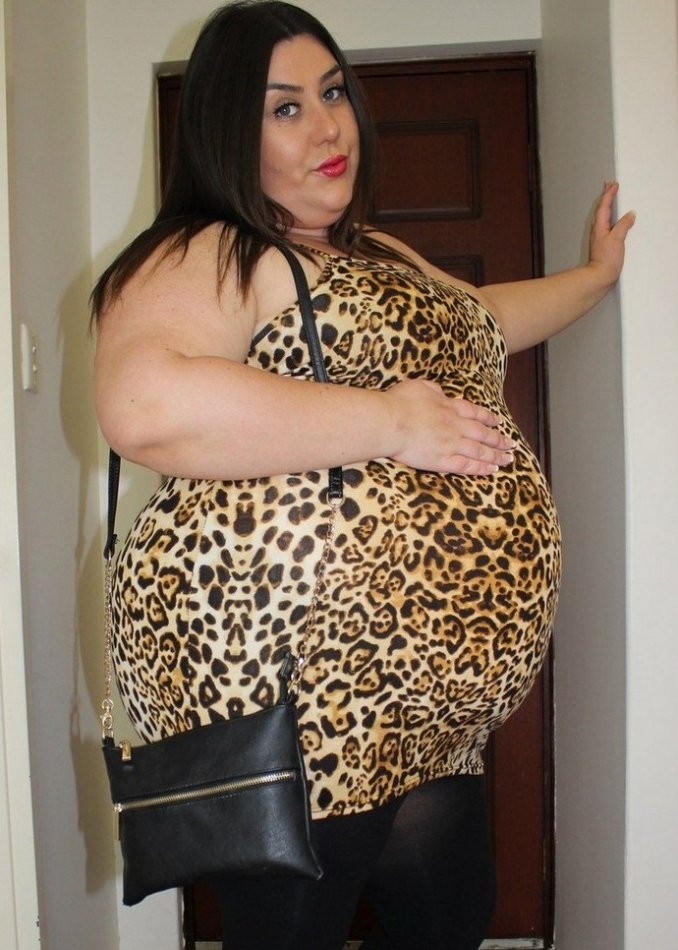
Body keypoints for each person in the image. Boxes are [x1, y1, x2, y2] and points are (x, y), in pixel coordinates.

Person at [91, 2, 634, 947]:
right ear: (227, 130)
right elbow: (144, 405)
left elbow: (483, 319)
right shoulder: (215, 248)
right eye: (285, 107)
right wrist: (391, 422)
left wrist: (593, 279)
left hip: (420, 716)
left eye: (333, 93)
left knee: (451, 920)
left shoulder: (376, 251)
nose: (329, 126)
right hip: (304, 705)